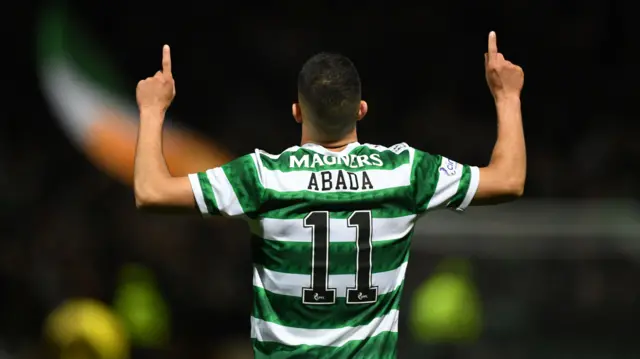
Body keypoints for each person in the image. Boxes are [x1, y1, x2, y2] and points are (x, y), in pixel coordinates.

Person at [133, 31, 525, 358]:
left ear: (297, 112)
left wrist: (152, 111)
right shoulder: (405, 172)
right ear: (362, 110)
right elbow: (508, 180)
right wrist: (507, 97)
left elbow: (151, 191)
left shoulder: (264, 176)